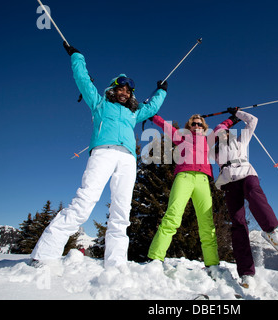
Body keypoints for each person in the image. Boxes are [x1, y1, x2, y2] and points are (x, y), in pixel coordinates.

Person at [31, 42, 168, 268]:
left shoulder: (134, 113)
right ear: (113, 88)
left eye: (128, 91)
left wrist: (161, 90)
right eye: (120, 88)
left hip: (127, 159)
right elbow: (83, 80)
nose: (124, 93)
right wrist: (77, 56)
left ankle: (116, 264)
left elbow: (152, 108)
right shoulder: (99, 103)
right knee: (85, 201)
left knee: (122, 211)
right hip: (103, 153)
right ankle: (44, 254)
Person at [146, 114, 234, 268]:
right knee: (172, 216)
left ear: (204, 127)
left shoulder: (208, 139)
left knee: (207, 223)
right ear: (189, 126)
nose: (197, 126)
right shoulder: (181, 137)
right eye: (194, 124)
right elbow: (166, 127)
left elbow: (221, 128)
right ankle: (155, 258)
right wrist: (153, 116)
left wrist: (233, 118)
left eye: (200, 124)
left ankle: (212, 264)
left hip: (203, 180)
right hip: (184, 177)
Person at [214, 108, 278, 288]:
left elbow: (253, 121)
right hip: (229, 183)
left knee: (253, 191)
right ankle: (246, 273)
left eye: (226, 132)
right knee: (238, 223)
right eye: (220, 133)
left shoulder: (241, 140)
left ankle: (272, 230)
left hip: (246, 174)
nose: (224, 134)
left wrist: (237, 113)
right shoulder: (214, 153)